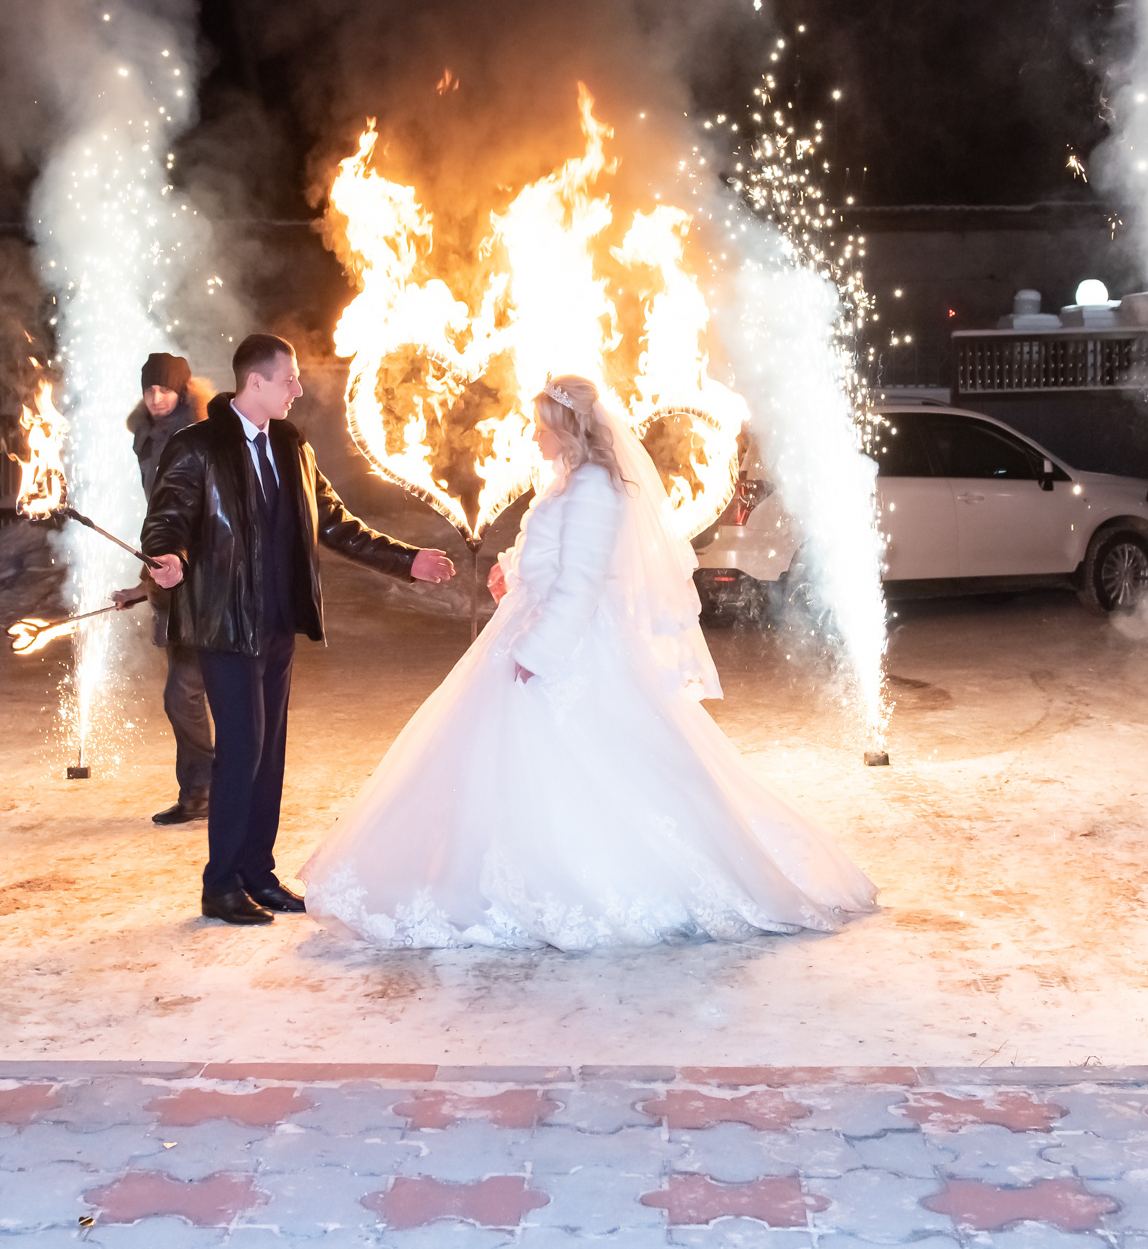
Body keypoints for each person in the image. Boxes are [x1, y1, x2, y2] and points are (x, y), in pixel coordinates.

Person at [300, 373, 877, 950]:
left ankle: (604, 878)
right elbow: (551, 552)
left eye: (539, 425)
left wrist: (538, 652)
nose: (532, 435)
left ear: (564, 427)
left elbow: (582, 582)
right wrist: (513, 568)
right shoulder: (566, 479)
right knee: (501, 766)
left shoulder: (597, 486)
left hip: (570, 646)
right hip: (534, 624)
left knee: (597, 766)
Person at [141, 333, 458, 926]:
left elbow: (334, 523)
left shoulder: (291, 444)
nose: (298, 388)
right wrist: (169, 555)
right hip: (223, 625)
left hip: (276, 625)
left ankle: (258, 873)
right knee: (241, 751)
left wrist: (406, 560)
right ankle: (222, 884)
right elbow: (167, 520)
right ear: (254, 382)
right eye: (288, 379)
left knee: (268, 754)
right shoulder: (198, 447)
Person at [125, 352, 214, 825]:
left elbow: (196, 516)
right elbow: (160, 521)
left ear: (182, 391)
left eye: (165, 389)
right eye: (149, 389)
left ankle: (213, 785)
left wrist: (180, 562)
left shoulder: (196, 440)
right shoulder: (147, 439)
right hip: (170, 580)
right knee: (187, 695)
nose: (156, 397)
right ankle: (200, 791)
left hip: (203, 584)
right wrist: (145, 583)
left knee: (184, 694)